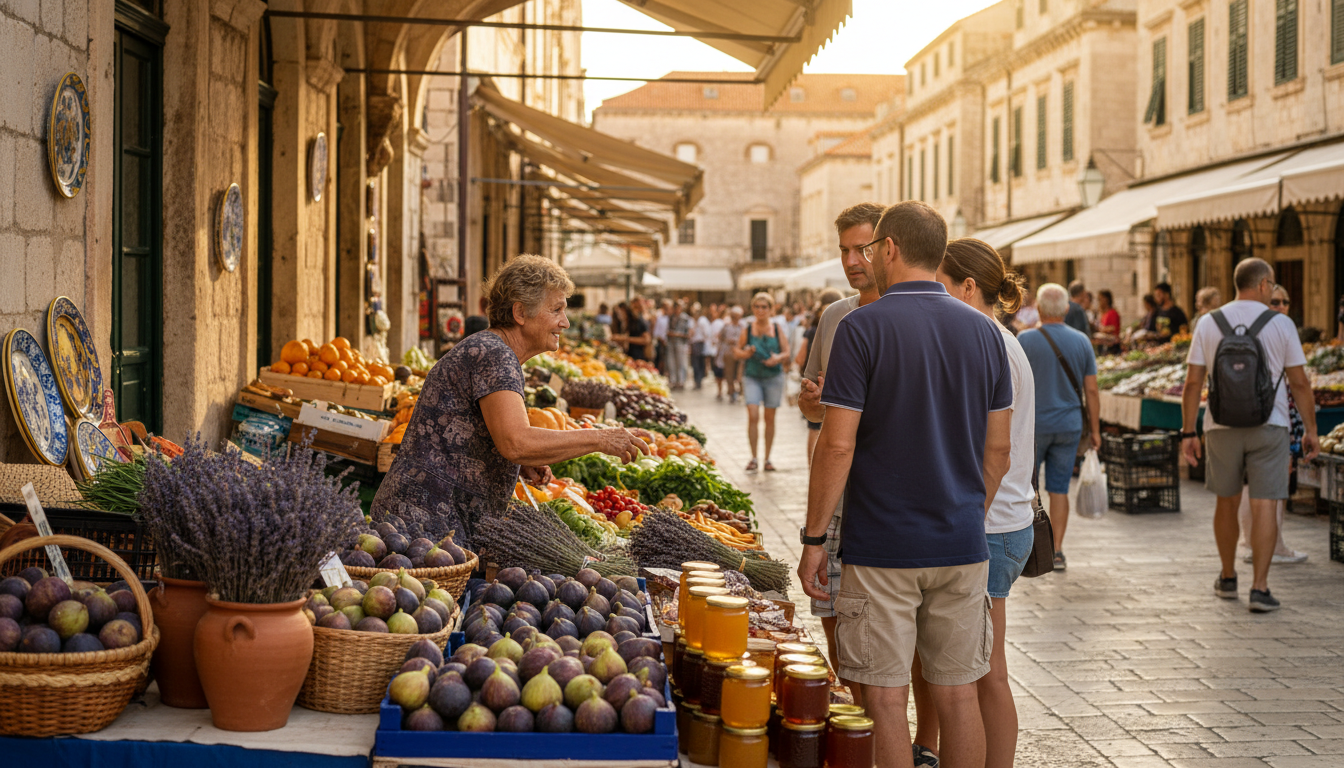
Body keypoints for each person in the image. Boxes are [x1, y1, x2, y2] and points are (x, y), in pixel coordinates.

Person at [799, 201, 1013, 768]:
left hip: (882, 546)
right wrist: (969, 509)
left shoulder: (861, 328)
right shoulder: (987, 334)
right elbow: (1000, 450)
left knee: (886, 698)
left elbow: (837, 444)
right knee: (959, 691)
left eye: (869, 249)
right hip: (961, 544)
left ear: (889, 248)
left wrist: (814, 539)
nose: (865, 258)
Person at [371, 256, 649, 548]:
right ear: (520, 312)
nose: (564, 323)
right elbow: (516, 442)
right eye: (556, 310)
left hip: (425, 524)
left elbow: (496, 438)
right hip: (421, 528)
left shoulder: (494, 350)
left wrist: (513, 462)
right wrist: (600, 438)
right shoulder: (495, 355)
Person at [910, 238, 1035, 768]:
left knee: (986, 672)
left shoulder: (988, 341)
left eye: (939, 282)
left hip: (990, 525)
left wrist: (964, 523)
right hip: (1004, 520)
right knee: (978, 668)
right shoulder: (1000, 339)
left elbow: (993, 451)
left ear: (967, 287)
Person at [1182, 259, 1319, 613]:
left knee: (1226, 502)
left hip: (1220, 425)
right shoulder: (1282, 324)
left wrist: (1187, 432)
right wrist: (1311, 430)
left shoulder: (1209, 322)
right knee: (1265, 503)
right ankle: (1260, 588)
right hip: (1270, 424)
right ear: (1264, 284)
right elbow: (1300, 383)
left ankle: (1228, 578)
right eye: (1273, 287)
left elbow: (1193, 383)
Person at [796, 203, 884, 700]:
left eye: (862, 248)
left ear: (887, 247)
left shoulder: (904, 315)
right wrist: (812, 400)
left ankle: (920, 743)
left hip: (884, 496)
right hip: (835, 492)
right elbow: (813, 410)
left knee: (897, 635)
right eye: (844, 250)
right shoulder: (833, 316)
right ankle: (854, 714)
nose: (852, 261)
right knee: (831, 615)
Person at [1018, 283, 1101, 571]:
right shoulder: (1081, 341)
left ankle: (1030, 547)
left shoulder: (1025, 340)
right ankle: (1057, 550)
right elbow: (1092, 390)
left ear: (1039, 309)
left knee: (1030, 489)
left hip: (1033, 427)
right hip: (1069, 426)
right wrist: (1096, 431)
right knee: (1060, 489)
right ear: (1067, 309)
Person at [1238, 284, 1308, 565]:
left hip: (1246, 414)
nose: (1281, 306)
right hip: (1276, 414)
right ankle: (1274, 545)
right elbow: (1299, 380)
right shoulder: (1282, 328)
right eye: (1275, 300)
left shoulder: (1248, 327)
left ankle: (1249, 540)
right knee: (1276, 484)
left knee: (1249, 482)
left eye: (1286, 301)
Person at [735, 292, 790, 472]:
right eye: (757, 307)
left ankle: (767, 458)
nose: (760, 310)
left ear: (771, 309)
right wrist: (747, 353)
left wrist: (777, 358)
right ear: (753, 309)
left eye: (764, 307)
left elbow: (787, 352)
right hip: (752, 376)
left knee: (769, 418)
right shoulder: (748, 329)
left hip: (773, 377)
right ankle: (753, 457)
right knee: (752, 414)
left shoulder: (777, 328)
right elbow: (737, 351)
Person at [797, 289, 843, 458]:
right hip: (836, 384)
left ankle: (812, 470)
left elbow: (799, 357)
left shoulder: (812, 330)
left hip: (816, 381)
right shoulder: (848, 324)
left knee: (814, 430)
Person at [719, 306, 747, 403]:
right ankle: (731, 393)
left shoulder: (743, 326)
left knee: (740, 374)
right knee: (729, 375)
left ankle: (741, 393)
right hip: (729, 352)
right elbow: (720, 337)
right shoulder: (726, 326)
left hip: (740, 353)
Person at [613, 297, 652, 362]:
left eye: (620, 313)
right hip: (631, 355)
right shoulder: (630, 322)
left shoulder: (639, 321)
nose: (619, 316)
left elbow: (646, 340)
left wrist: (624, 338)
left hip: (639, 357)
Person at [1094, 289, 1121, 354]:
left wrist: (1102, 329)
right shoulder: (1104, 313)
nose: (1099, 302)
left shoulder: (1112, 313)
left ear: (1106, 299)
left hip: (1112, 346)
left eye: (1100, 299)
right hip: (1104, 345)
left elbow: (1113, 328)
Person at [689, 302, 709, 390]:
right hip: (694, 343)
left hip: (700, 343)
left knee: (700, 363)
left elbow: (707, 333)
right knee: (695, 363)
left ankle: (699, 380)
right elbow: (690, 333)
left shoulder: (703, 320)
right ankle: (696, 380)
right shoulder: (691, 321)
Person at [652, 299, 671, 374]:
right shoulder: (659, 318)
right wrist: (662, 340)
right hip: (661, 343)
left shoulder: (671, 319)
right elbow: (656, 332)